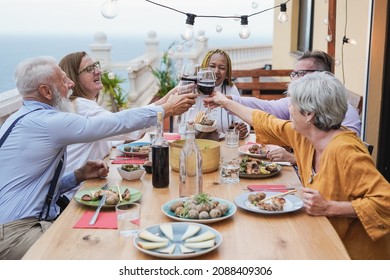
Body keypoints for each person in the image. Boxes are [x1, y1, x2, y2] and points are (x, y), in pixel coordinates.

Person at [0, 56, 197, 259]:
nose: (71, 84)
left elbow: (32, 190)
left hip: (17, 226)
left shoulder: (19, 118)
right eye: (64, 80)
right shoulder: (46, 122)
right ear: (46, 91)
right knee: (101, 250)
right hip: (18, 233)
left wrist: (77, 175)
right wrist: (165, 110)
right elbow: (112, 124)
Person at [204, 71, 390, 259]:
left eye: (291, 103)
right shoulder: (306, 136)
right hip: (320, 238)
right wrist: (223, 101)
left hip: (351, 256)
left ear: (309, 114)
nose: (289, 108)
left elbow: (385, 202)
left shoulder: (346, 151)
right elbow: (265, 121)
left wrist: (328, 207)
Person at [58, 51, 176, 201]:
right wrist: (168, 107)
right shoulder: (82, 107)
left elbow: (119, 130)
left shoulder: (78, 105)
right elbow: (126, 128)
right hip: (73, 196)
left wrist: (168, 98)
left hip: (85, 187)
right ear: (74, 79)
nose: (98, 71)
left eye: (96, 65)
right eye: (89, 69)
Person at [226, 50, 362, 164]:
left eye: (301, 73)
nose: (295, 79)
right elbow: (266, 113)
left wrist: (293, 158)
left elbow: (341, 160)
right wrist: (230, 100)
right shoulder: (298, 107)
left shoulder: (346, 114)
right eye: (294, 74)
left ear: (321, 77)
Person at [177, 49, 250, 139]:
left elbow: (243, 120)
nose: (216, 71)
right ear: (204, 68)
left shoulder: (230, 89)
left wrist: (242, 130)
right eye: (212, 66)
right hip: (192, 142)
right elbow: (182, 126)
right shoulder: (190, 85)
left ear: (227, 73)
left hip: (221, 144)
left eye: (222, 68)